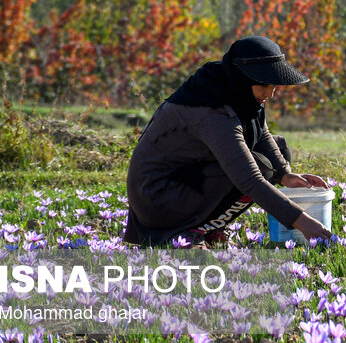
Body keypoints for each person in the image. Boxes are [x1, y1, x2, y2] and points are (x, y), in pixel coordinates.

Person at [123, 36, 332, 246]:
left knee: (274, 156)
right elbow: (248, 178)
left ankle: (207, 227)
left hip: (184, 181)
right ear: (243, 77)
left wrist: (285, 175)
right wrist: (302, 222)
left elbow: (260, 133)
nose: (270, 93)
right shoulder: (211, 109)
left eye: (274, 85)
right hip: (157, 198)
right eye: (264, 84)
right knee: (260, 167)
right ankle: (186, 232)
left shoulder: (235, 88)